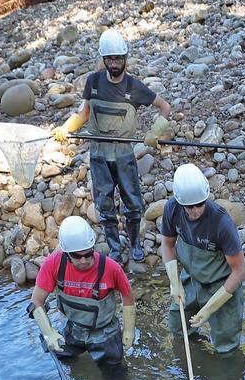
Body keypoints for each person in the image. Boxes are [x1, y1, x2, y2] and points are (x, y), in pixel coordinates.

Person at [53, 29, 173, 269]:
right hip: (98, 155)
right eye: (111, 59)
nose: (115, 63)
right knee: (104, 204)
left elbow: (165, 107)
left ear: (125, 58)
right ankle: (115, 249)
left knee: (133, 203)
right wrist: (68, 127)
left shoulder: (135, 87)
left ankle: (136, 244)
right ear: (104, 60)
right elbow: (84, 113)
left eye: (119, 58)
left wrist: (154, 132)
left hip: (124, 155)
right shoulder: (94, 82)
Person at [28, 216, 136, 370]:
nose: (84, 261)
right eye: (77, 256)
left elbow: (128, 297)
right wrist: (48, 333)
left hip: (105, 333)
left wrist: (129, 330)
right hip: (74, 330)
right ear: (66, 253)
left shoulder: (111, 268)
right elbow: (36, 301)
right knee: (64, 361)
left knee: (115, 375)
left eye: (88, 254)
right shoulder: (53, 265)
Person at [160, 164, 245, 354]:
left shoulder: (221, 222)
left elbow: (240, 271)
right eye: (189, 206)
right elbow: (167, 245)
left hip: (222, 285)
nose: (196, 210)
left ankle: (225, 377)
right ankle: (197, 357)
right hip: (191, 279)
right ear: (179, 201)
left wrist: (210, 308)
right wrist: (174, 283)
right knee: (178, 326)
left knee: (226, 345)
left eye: (200, 204)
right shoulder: (172, 209)